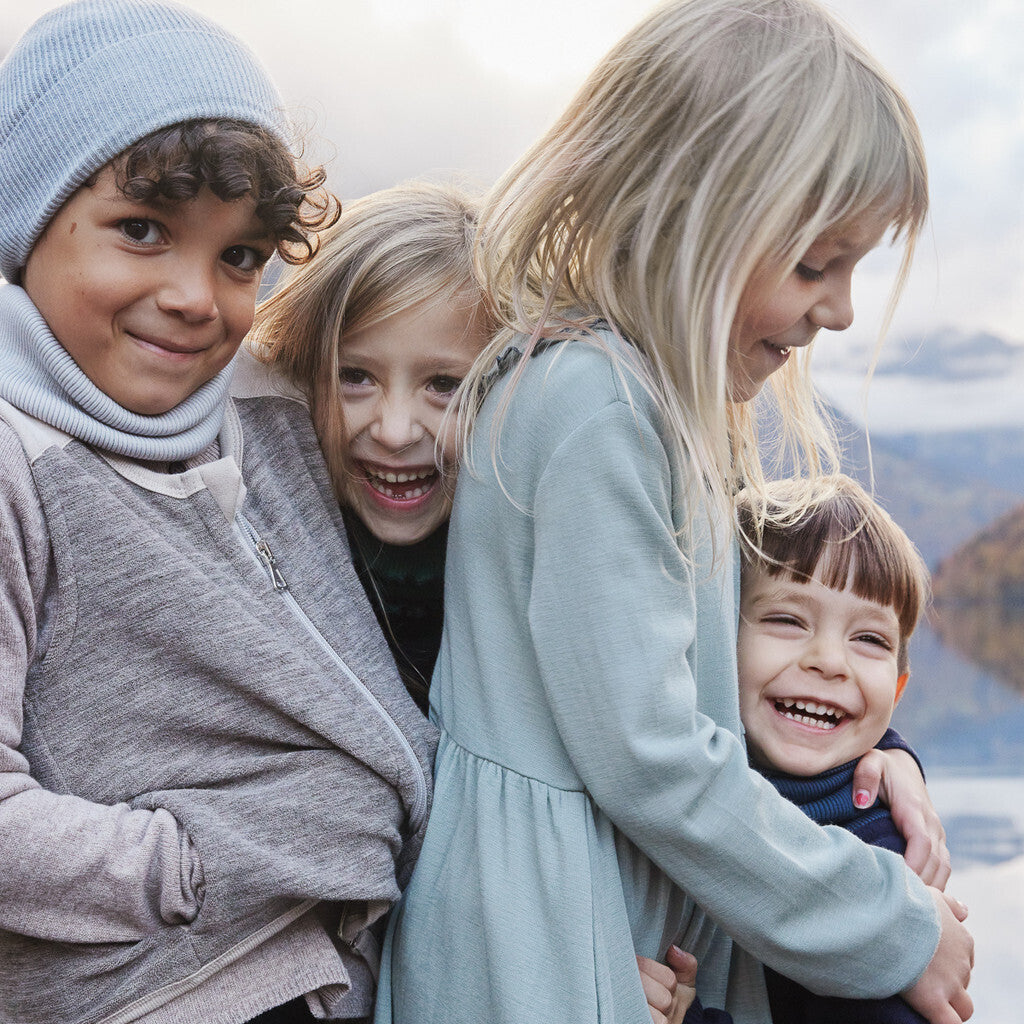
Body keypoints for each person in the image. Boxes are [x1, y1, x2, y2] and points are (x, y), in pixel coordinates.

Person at [374, 2, 974, 1024]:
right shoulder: (595, 409)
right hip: (537, 947)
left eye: (852, 269)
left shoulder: (655, 412)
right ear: (696, 210)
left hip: (609, 935)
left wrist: (889, 759)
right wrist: (889, 924)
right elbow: (650, 755)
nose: (838, 311)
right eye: (813, 264)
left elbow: (713, 693)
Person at [0, 3, 436, 1023]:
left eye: (240, 257)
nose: (197, 297)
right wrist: (189, 868)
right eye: (142, 232)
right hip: (164, 992)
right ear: (27, 213)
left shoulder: (269, 410)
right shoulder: (17, 459)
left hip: (358, 971)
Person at [679, 475, 936, 1023]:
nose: (829, 661)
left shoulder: (878, 853)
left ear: (897, 691)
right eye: (786, 619)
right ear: (718, 640)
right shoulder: (682, 781)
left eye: (869, 639)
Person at [251, 182, 489, 714]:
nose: (395, 431)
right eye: (354, 376)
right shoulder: (257, 550)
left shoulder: (545, 570)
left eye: (446, 385)